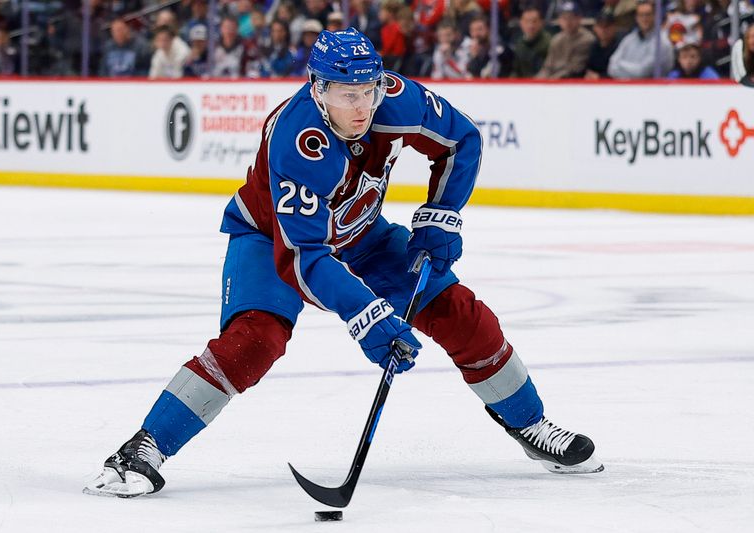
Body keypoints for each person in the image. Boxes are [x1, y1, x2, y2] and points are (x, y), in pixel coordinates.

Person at [83, 27, 603, 499]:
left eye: (369, 90)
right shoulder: (297, 139)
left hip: (362, 234)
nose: (362, 106)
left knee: (459, 312)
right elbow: (304, 258)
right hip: (271, 239)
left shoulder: (396, 100)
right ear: (318, 88)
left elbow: (462, 140)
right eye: (347, 94)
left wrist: (442, 213)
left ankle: (529, 424)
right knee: (255, 339)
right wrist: (367, 314)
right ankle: (145, 447)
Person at [608, 1, 674, 79]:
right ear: (636, 17)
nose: (644, 18)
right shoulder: (629, 39)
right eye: (641, 15)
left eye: (647, 14)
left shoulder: (662, 42)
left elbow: (642, 72)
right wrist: (633, 68)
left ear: (655, 16)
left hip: (655, 89)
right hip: (627, 88)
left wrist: (620, 65)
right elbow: (611, 67)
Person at [536, 1, 596, 79]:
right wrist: (537, 81)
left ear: (579, 18)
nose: (568, 22)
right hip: (552, 81)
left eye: (571, 17)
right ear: (559, 20)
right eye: (564, 18)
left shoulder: (587, 39)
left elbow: (574, 69)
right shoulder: (556, 39)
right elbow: (547, 66)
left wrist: (551, 81)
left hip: (572, 83)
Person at [512, 6, 551, 78]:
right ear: (521, 23)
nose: (531, 26)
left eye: (534, 21)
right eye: (527, 21)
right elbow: (516, 70)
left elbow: (550, 69)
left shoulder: (549, 42)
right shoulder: (519, 44)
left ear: (541, 22)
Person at [584, 11, 620, 79]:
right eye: (600, 26)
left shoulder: (620, 46)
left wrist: (600, 77)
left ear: (615, 27)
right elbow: (589, 68)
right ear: (595, 28)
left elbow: (620, 72)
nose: (603, 30)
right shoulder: (594, 46)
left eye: (607, 26)